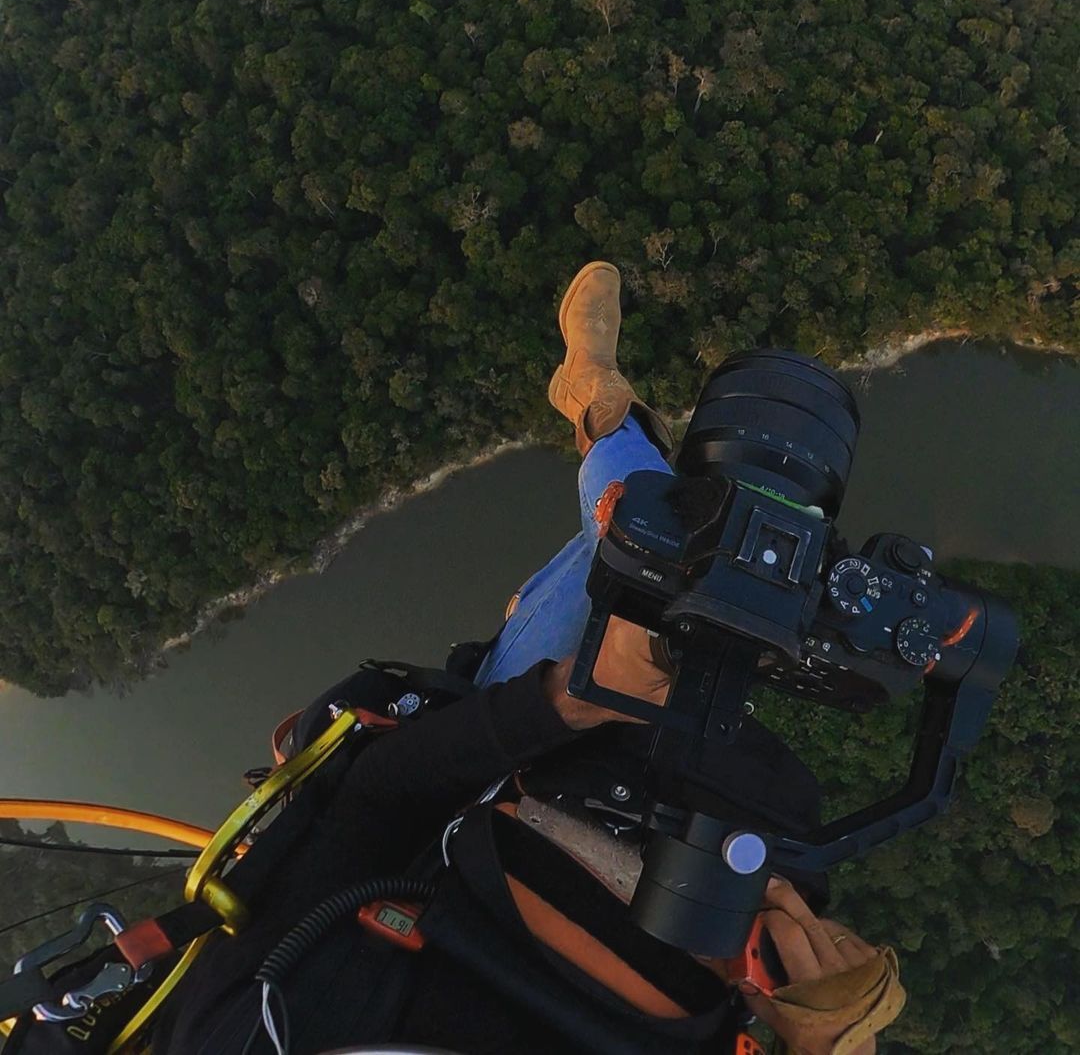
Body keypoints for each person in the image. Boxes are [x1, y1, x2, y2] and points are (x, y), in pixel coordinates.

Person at [152, 262, 904, 1055]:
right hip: (668, 859)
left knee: (651, 565)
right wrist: (820, 1028)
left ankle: (601, 416)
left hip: (478, 783)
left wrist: (573, 700)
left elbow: (377, 800)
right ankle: (604, 422)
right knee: (674, 578)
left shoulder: (254, 1036)